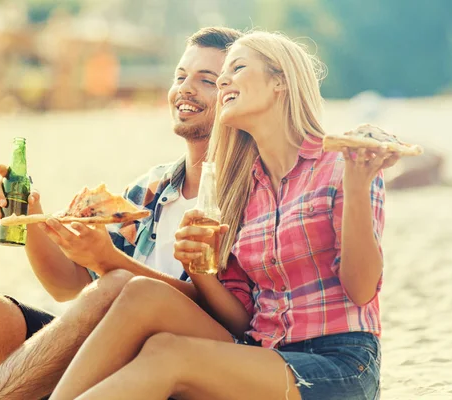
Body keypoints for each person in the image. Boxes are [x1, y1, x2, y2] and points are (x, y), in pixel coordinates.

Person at [0, 27, 242, 400]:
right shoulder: (153, 188)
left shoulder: (247, 194)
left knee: (112, 288)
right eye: (180, 76)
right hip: (102, 344)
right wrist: (32, 217)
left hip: (169, 365)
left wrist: (109, 260)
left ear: (234, 96)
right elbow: (70, 287)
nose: (185, 88)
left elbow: (227, 316)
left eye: (206, 80)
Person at [49, 30, 398, 400]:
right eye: (223, 74)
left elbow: (361, 290)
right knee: (144, 304)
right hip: (265, 355)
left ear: (280, 80)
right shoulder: (243, 189)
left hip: (340, 363)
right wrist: (201, 272)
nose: (225, 80)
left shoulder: (344, 163)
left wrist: (358, 185)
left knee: (170, 357)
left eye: (238, 68)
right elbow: (242, 318)